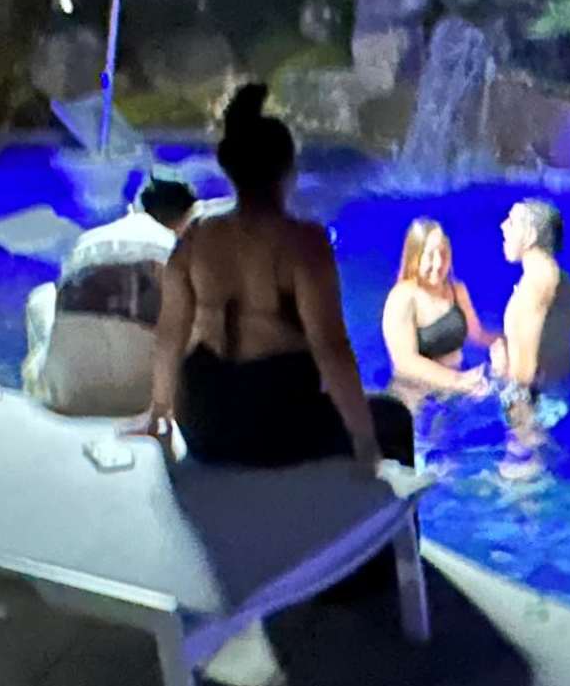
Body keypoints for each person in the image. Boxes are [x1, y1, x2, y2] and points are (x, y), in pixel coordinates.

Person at [142, 83, 411, 467]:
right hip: (277, 425)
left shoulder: (196, 237)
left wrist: (160, 415)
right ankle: (387, 524)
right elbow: (331, 349)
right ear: (287, 171)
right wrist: (364, 439)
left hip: (202, 423)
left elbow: (170, 334)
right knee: (395, 418)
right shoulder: (304, 242)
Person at [24, 175, 192, 415]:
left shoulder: (90, 241)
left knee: (42, 297)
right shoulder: (180, 252)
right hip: (153, 401)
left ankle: (39, 395)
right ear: (186, 218)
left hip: (67, 396)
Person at [379, 216, 494, 400]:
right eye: (430, 255)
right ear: (415, 257)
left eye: (443, 253)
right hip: (416, 393)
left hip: (457, 385)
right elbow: (405, 362)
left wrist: (505, 345)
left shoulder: (457, 290)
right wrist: (459, 381)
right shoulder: (402, 298)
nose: (439, 263)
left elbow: (477, 335)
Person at [496, 196, 570, 400]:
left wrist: (501, 366)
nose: (503, 226)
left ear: (530, 235)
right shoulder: (559, 277)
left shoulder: (534, 288)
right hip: (561, 389)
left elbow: (524, 376)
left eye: (512, 222)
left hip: (535, 406)